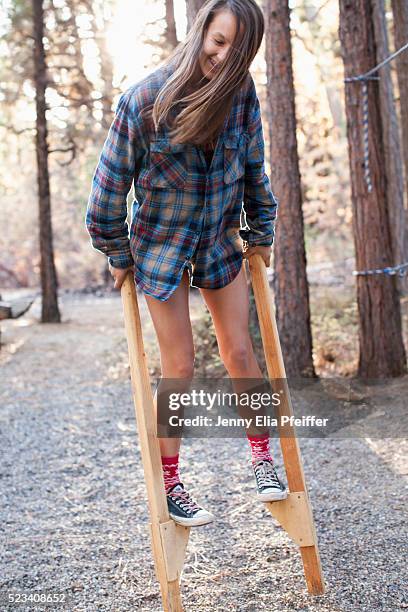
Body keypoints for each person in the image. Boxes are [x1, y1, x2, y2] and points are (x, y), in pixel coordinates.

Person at [85, 0, 287, 528]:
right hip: (162, 247)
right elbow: (107, 193)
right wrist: (116, 252)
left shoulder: (242, 96)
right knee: (180, 367)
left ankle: (264, 459)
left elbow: (254, 169)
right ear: (201, 32)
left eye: (237, 50)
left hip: (219, 242)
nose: (223, 57)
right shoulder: (145, 100)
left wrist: (261, 231)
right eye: (217, 42)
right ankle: (172, 480)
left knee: (241, 352)